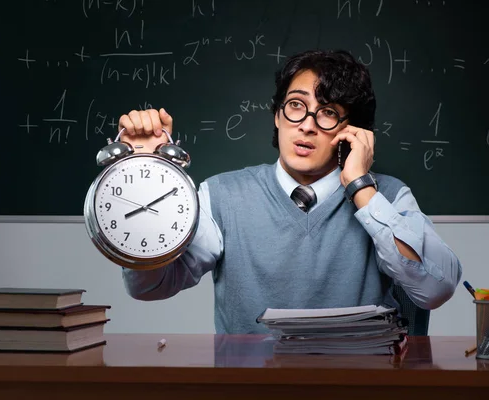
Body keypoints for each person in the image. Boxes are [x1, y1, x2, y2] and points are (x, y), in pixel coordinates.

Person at [116, 49, 462, 334]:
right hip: (250, 387)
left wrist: (360, 186)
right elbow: (149, 286)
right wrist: (148, 175)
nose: (307, 125)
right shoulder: (221, 196)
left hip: (354, 386)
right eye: (296, 105)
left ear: (352, 131)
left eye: (328, 113)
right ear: (278, 115)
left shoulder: (386, 195)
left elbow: (436, 288)